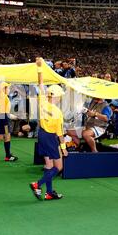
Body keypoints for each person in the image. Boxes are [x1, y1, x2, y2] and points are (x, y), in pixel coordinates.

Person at [29, 57, 68, 201]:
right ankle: (37, 184)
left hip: (41, 134)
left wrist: (39, 67)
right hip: (51, 138)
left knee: (49, 165)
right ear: (57, 96)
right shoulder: (58, 112)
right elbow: (60, 134)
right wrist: (63, 148)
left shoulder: (43, 101)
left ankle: (49, 192)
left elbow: (40, 83)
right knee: (58, 167)